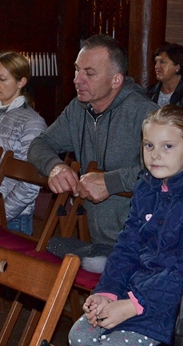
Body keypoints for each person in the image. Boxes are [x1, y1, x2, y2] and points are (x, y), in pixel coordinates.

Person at [69, 104, 183, 346]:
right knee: (81, 339)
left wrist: (136, 305)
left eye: (168, 146)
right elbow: (127, 247)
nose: (155, 154)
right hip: (137, 290)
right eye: (149, 145)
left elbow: (182, 269)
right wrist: (108, 293)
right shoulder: (146, 188)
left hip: (174, 302)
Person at [28, 34, 157, 247]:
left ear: (116, 80)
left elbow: (171, 172)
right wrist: (55, 166)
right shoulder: (78, 109)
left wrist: (111, 181)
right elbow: (40, 144)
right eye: (77, 69)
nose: (77, 79)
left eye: (89, 73)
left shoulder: (145, 115)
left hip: (144, 241)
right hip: (96, 238)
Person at [0, 52, 46, 234]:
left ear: (21, 82)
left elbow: (31, 181)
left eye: (2, 79)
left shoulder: (32, 122)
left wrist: (1, 213)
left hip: (14, 217)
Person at [146, 43, 183, 107]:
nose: (156, 66)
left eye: (162, 62)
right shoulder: (150, 92)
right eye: (156, 62)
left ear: (177, 67)